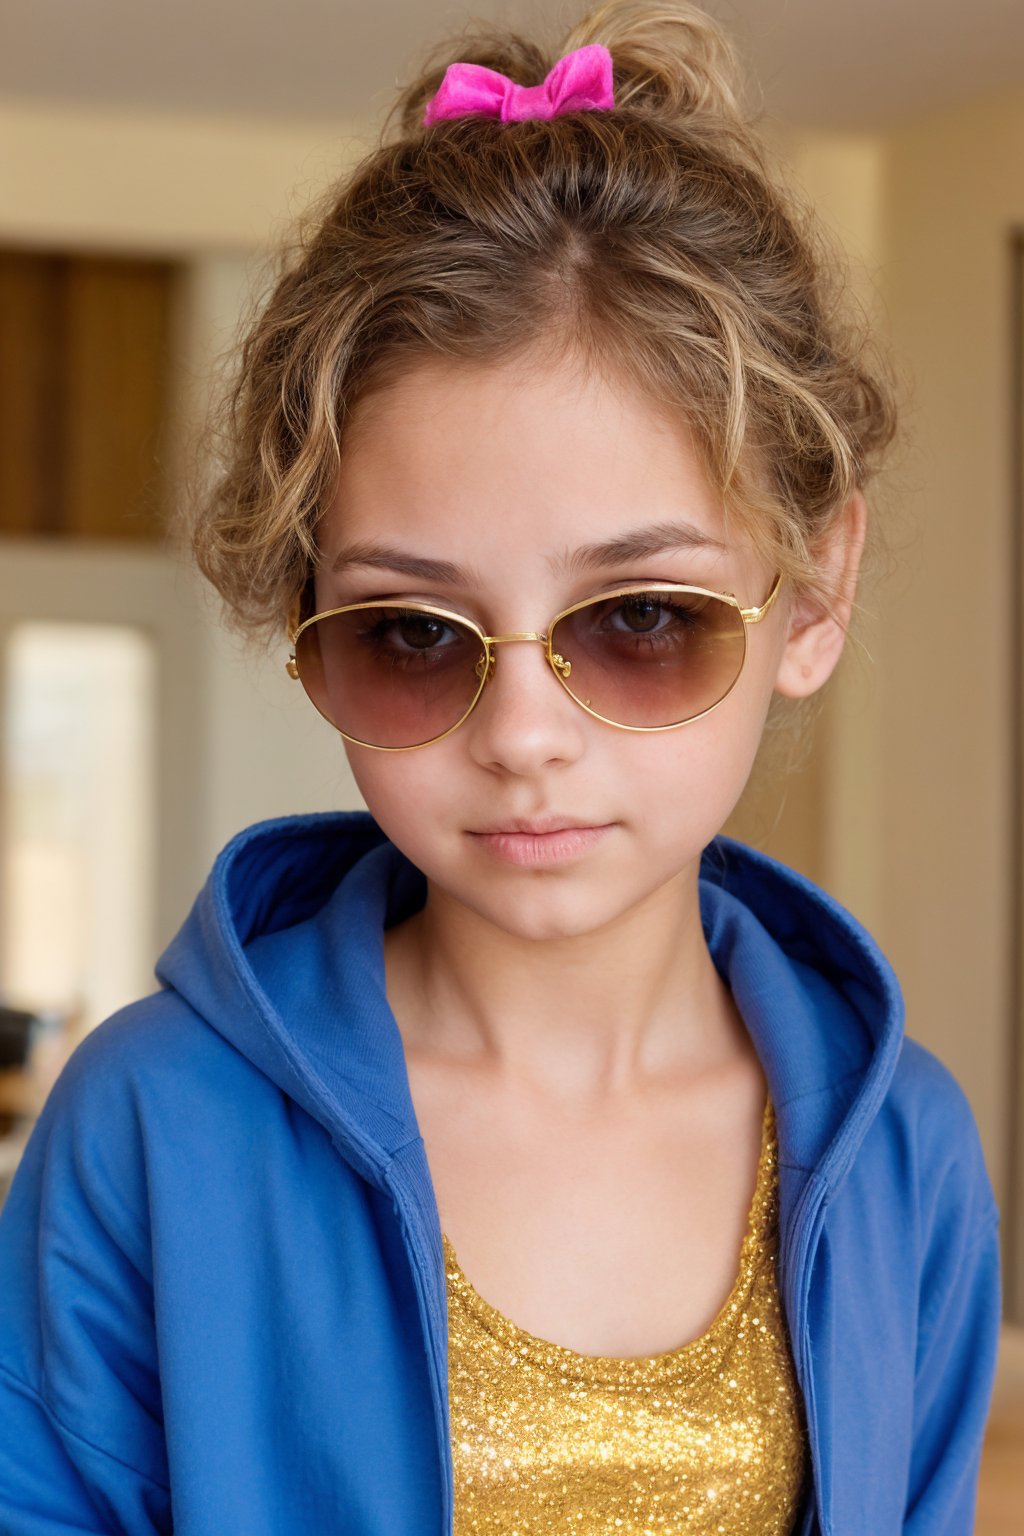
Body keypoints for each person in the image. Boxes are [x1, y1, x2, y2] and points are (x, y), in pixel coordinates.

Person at [0, 3, 1002, 1533]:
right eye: (410, 633)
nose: (523, 735)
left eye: (641, 621)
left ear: (813, 592)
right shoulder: (146, 1129)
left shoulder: (905, 1153)